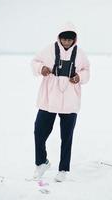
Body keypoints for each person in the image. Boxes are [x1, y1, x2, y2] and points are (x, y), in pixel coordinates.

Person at [31, 22, 90, 182]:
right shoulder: (48, 50)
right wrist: (41, 68)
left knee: (67, 136)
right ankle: (41, 162)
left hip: (70, 101)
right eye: (64, 39)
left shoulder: (80, 54)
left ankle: (63, 169)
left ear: (74, 39)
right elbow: (35, 61)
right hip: (49, 99)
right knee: (39, 131)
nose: (66, 42)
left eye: (69, 40)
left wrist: (79, 77)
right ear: (59, 38)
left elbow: (86, 71)